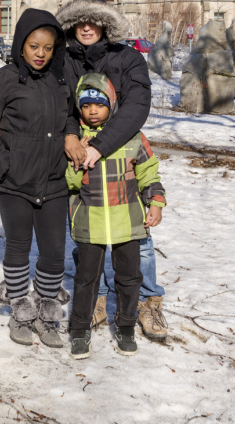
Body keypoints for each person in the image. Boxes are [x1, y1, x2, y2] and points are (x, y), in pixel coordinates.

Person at [56, 0, 168, 342]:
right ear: (72, 24)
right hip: (83, 158)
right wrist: (71, 136)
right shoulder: (65, 60)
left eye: (93, 21)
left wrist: (101, 146)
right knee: (89, 238)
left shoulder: (128, 57)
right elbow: (61, 104)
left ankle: (148, 301)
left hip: (124, 154)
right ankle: (98, 299)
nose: (86, 27)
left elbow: (137, 107)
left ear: (105, 24)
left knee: (138, 240)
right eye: (80, 21)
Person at [0, 9, 72, 348]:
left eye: (47, 47)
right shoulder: (3, 80)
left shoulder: (60, 81)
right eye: (34, 46)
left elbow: (70, 118)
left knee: (54, 252)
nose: (41, 53)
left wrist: (70, 137)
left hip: (54, 179)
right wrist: (5, 164)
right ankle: (21, 315)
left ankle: (46, 315)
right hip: (13, 182)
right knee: (18, 248)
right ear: (21, 45)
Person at [66, 73, 166, 359]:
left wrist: (156, 202)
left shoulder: (132, 137)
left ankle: (125, 326)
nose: (92, 111)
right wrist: (78, 159)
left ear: (111, 103)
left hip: (129, 222)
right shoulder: (77, 142)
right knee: (86, 279)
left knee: (128, 277)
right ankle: (79, 329)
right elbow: (71, 184)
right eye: (85, 106)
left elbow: (149, 174)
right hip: (90, 222)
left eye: (98, 104)